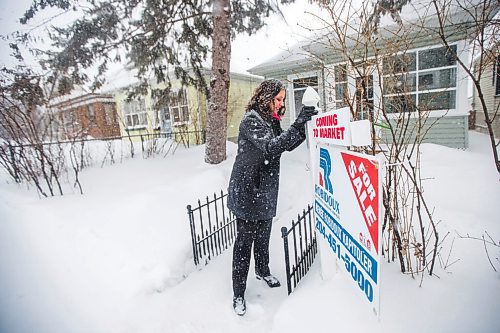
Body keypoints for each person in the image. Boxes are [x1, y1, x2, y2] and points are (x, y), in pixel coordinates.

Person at [227, 79, 317, 316]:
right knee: (244, 244)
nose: (280, 104)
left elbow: (285, 145)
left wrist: (305, 126)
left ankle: (263, 270)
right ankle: (238, 292)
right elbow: (271, 147)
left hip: (265, 189)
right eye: (277, 99)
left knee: (264, 234)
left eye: (282, 100)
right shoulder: (251, 121)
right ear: (265, 97)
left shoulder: (270, 120)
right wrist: (298, 123)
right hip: (247, 191)